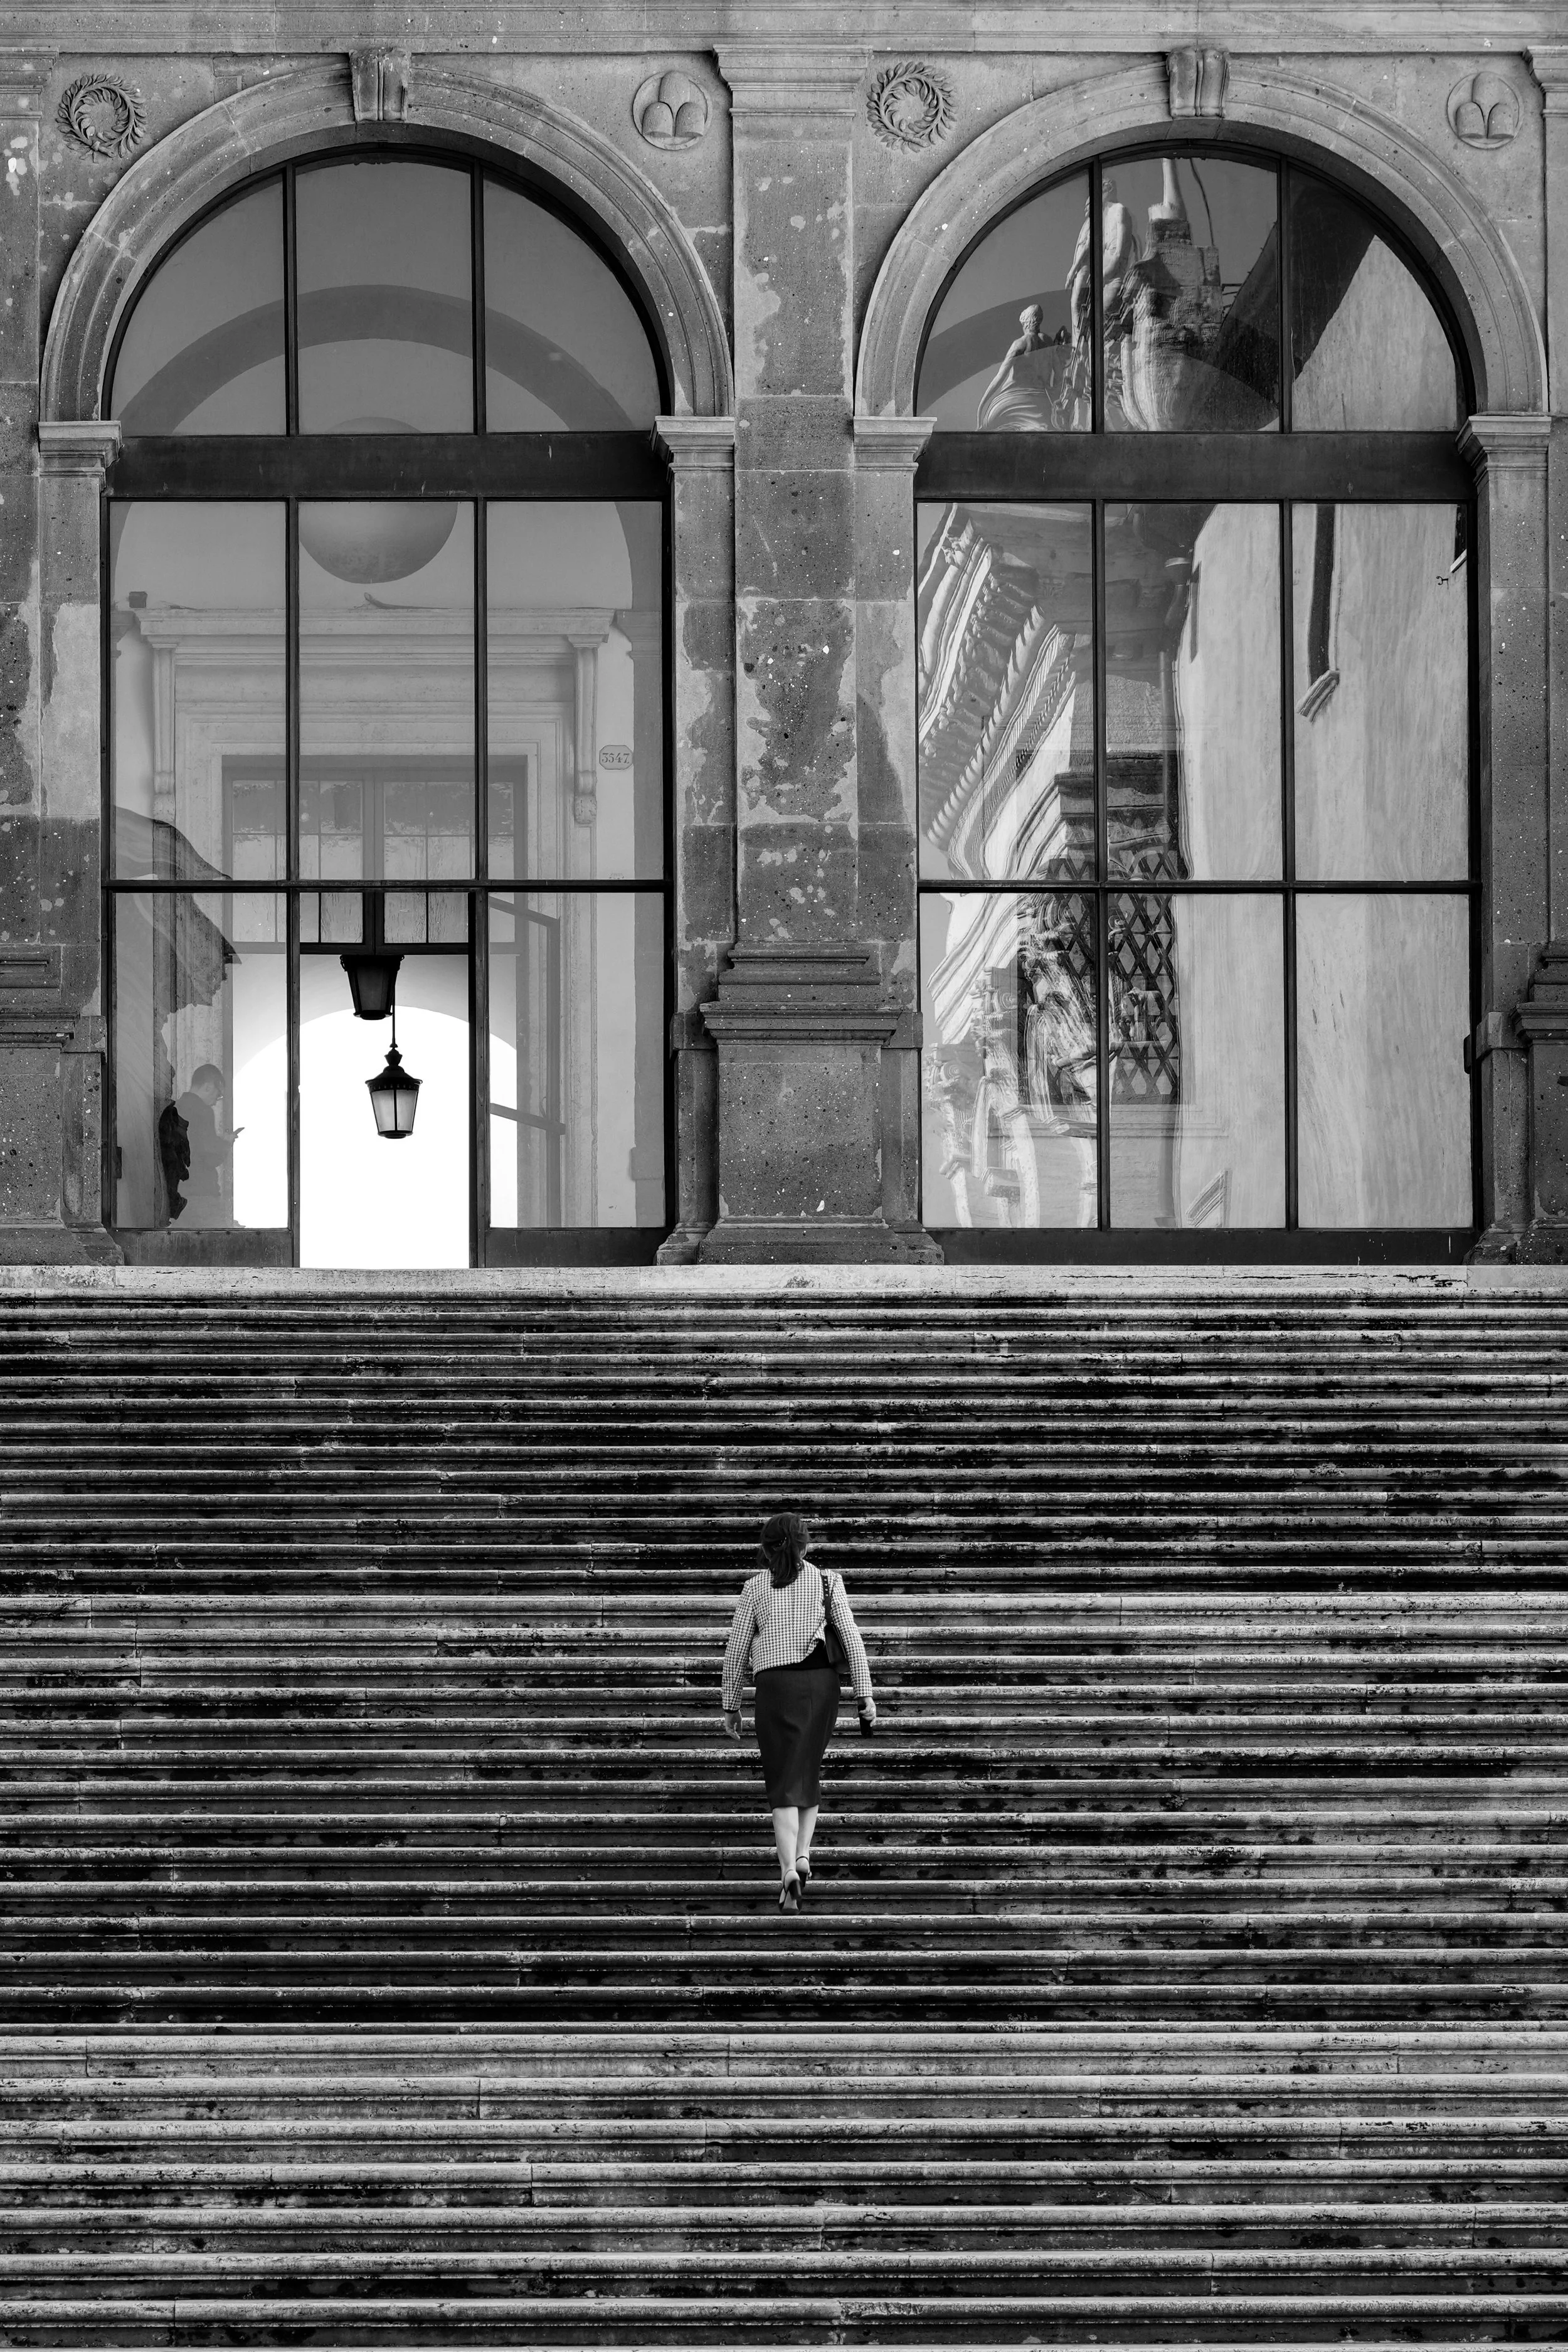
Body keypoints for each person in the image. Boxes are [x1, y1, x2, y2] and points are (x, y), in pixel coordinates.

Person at [721, 1512, 876, 1912]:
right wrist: (866, 1693)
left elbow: (736, 1649)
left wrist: (730, 1704)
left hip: (776, 1687)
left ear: (766, 1547)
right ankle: (804, 1856)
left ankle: (788, 1868)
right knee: (806, 1771)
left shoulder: (756, 1587)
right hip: (820, 1687)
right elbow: (850, 1636)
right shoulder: (828, 1581)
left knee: (782, 1781)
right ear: (806, 1545)